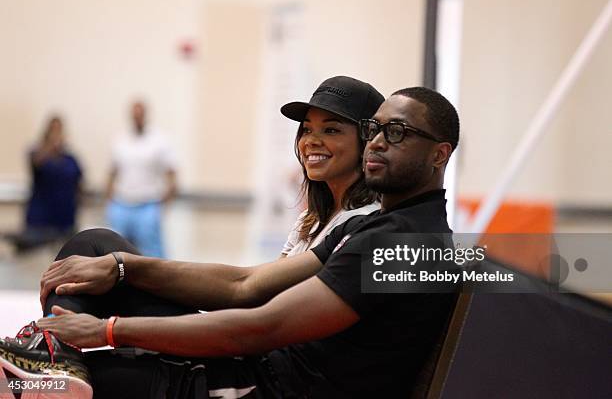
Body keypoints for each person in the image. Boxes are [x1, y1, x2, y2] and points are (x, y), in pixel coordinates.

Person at [0, 87, 460, 398]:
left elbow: (260, 325)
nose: (378, 142)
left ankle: (56, 371)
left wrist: (107, 331)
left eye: (395, 133)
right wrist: (123, 266)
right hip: (260, 362)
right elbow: (246, 284)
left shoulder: (396, 240)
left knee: (87, 377)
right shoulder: (377, 226)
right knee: (96, 246)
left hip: (264, 384)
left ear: (440, 154)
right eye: (376, 129)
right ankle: (59, 364)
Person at [279, 76, 384, 256]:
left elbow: (252, 283)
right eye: (306, 129)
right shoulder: (309, 219)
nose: (310, 141)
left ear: (368, 142)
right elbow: (267, 280)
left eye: (331, 130)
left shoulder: (366, 221)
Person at [106, 101, 177, 258]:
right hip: (122, 203)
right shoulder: (120, 139)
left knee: (152, 255)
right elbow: (112, 172)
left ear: (145, 115)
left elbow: (172, 173)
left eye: (140, 114)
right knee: (118, 255)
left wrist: (165, 204)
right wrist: (111, 202)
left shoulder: (159, 139)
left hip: (148, 205)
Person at [8, 116, 83, 251]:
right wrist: (50, 147)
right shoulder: (36, 153)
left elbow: (79, 181)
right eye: (53, 131)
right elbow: (36, 164)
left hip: (65, 223)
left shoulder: (70, 159)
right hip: (39, 223)